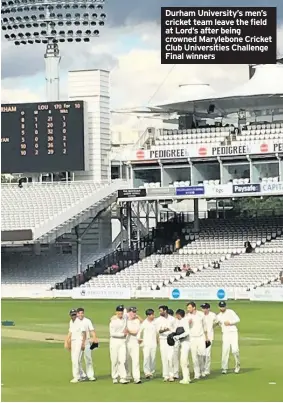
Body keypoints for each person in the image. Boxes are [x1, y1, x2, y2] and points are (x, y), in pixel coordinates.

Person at [216, 301, 240, 374]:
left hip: (233, 332)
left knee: (235, 350)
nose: (222, 308)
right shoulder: (218, 316)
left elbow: (238, 319)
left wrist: (230, 322)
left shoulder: (230, 312)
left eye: (223, 307)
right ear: (218, 307)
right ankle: (224, 368)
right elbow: (216, 323)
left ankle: (237, 365)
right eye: (221, 307)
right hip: (225, 333)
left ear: (225, 306)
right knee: (225, 350)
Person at [186, 301, 208, 379]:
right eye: (187, 308)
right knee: (194, 356)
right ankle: (197, 373)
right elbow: (185, 328)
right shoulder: (187, 316)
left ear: (194, 307)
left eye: (189, 307)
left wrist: (206, 337)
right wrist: (188, 323)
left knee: (202, 354)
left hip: (201, 337)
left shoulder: (201, 315)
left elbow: (205, 326)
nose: (188, 309)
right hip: (192, 338)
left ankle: (202, 370)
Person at [65, 309, 87, 383]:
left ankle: (76, 377)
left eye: (75, 314)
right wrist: (66, 341)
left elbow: (84, 333)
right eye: (72, 315)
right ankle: (82, 374)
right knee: (74, 359)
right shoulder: (71, 322)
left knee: (75, 359)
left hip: (79, 341)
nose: (74, 316)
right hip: (73, 341)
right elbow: (70, 332)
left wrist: (83, 343)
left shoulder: (80, 322)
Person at [109, 305, 129, 384]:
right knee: (114, 360)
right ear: (116, 312)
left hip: (122, 342)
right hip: (114, 341)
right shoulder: (113, 321)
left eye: (121, 312)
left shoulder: (125, 317)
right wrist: (122, 334)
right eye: (119, 312)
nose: (120, 313)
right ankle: (114, 376)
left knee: (122, 360)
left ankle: (122, 377)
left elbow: (128, 312)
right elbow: (112, 333)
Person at [76, 308, 97, 381]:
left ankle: (90, 375)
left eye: (82, 313)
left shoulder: (87, 321)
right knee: (78, 360)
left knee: (88, 359)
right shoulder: (74, 321)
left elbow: (92, 330)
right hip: (78, 343)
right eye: (79, 313)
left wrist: (94, 338)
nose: (81, 314)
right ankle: (82, 374)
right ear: (77, 314)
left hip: (87, 342)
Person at [155, 305, 175, 382]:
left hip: (171, 339)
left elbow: (175, 329)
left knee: (171, 357)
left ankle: (171, 375)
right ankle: (165, 375)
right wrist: (164, 330)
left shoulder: (172, 319)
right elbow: (158, 331)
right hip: (163, 339)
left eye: (161, 311)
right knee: (164, 358)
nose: (160, 312)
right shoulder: (158, 320)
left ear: (165, 311)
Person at [137, 309, 158, 379]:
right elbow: (139, 331)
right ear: (148, 315)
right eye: (151, 315)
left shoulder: (155, 322)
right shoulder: (144, 323)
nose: (153, 316)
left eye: (153, 314)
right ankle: (147, 372)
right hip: (146, 343)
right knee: (146, 357)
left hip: (153, 343)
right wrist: (139, 338)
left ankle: (151, 371)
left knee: (153, 358)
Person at [174, 309, 191, 384]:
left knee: (183, 361)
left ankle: (186, 379)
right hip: (181, 343)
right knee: (184, 361)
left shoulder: (184, 321)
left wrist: (179, 336)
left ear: (178, 315)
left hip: (186, 343)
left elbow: (187, 332)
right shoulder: (179, 321)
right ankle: (187, 377)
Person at [125, 307, 141, 384]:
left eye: (135, 312)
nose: (134, 313)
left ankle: (137, 377)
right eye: (133, 312)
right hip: (126, 342)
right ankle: (128, 376)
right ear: (129, 312)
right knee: (126, 360)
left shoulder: (137, 321)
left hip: (135, 342)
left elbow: (135, 332)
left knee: (136, 360)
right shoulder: (125, 320)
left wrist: (129, 331)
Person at [200, 303, 217, 376]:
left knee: (207, 354)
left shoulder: (213, 315)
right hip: (200, 337)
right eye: (202, 308)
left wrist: (211, 328)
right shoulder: (200, 315)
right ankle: (202, 369)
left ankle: (207, 370)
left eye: (204, 308)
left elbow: (217, 322)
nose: (203, 309)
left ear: (208, 309)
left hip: (209, 337)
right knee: (201, 354)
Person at [168, 309, 179, 380]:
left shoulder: (174, 321)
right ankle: (175, 373)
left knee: (172, 358)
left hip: (174, 341)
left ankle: (174, 373)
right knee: (174, 358)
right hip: (173, 341)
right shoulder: (175, 321)